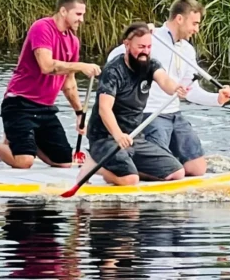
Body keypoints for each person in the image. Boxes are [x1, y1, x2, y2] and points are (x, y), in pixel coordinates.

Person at [0, 0, 101, 169]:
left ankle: (24, 143)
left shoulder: (73, 41)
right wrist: (80, 66)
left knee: (64, 162)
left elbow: (68, 84)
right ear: (63, 11)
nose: (82, 19)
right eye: (78, 14)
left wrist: (79, 113)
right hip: (19, 103)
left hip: (45, 108)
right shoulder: (42, 27)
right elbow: (46, 66)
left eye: (83, 15)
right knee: (24, 162)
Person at [105, 0, 230, 177]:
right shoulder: (152, 38)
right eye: (194, 23)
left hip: (174, 114)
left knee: (197, 169)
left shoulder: (188, 50)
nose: (196, 29)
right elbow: (114, 56)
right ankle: (119, 163)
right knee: (170, 173)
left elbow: (190, 91)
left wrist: (217, 99)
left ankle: (167, 161)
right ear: (179, 19)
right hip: (150, 115)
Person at [79, 23, 188, 186]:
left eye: (149, 47)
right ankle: (95, 165)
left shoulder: (150, 64)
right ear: (127, 44)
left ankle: (125, 166)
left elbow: (164, 80)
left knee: (176, 173)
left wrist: (175, 88)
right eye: (141, 46)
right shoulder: (113, 71)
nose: (145, 51)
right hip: (105, 137)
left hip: (134, 136)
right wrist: (117, 135)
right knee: (130, 180)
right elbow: (104, 109)